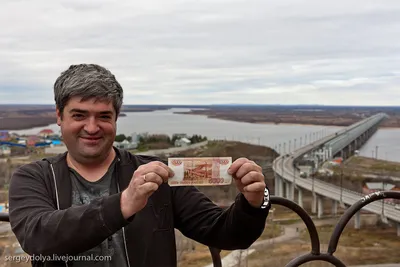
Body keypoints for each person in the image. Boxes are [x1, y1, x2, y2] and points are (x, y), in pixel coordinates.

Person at [8, 64, 271, 267]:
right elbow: (38, 237)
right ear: (59, 116)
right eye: (79, 115)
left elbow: (225, 233)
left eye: (104, 116)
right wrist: (123, 204)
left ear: (116, 118)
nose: (91, 127)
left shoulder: (157, 175)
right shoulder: (35, 178)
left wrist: (252, 203)